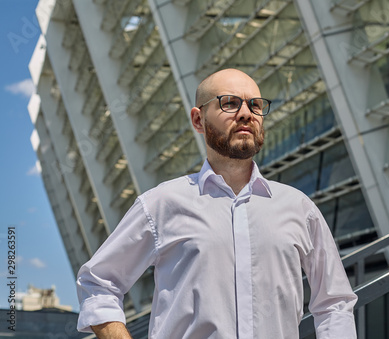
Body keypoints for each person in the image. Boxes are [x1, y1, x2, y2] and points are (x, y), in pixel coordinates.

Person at [76, 68, 357, 338]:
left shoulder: (299, 208)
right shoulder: (162, 204)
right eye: (230, 103)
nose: (246, 113)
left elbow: (334, 303)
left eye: (255, 105)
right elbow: (98, 282)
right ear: (199, 120)